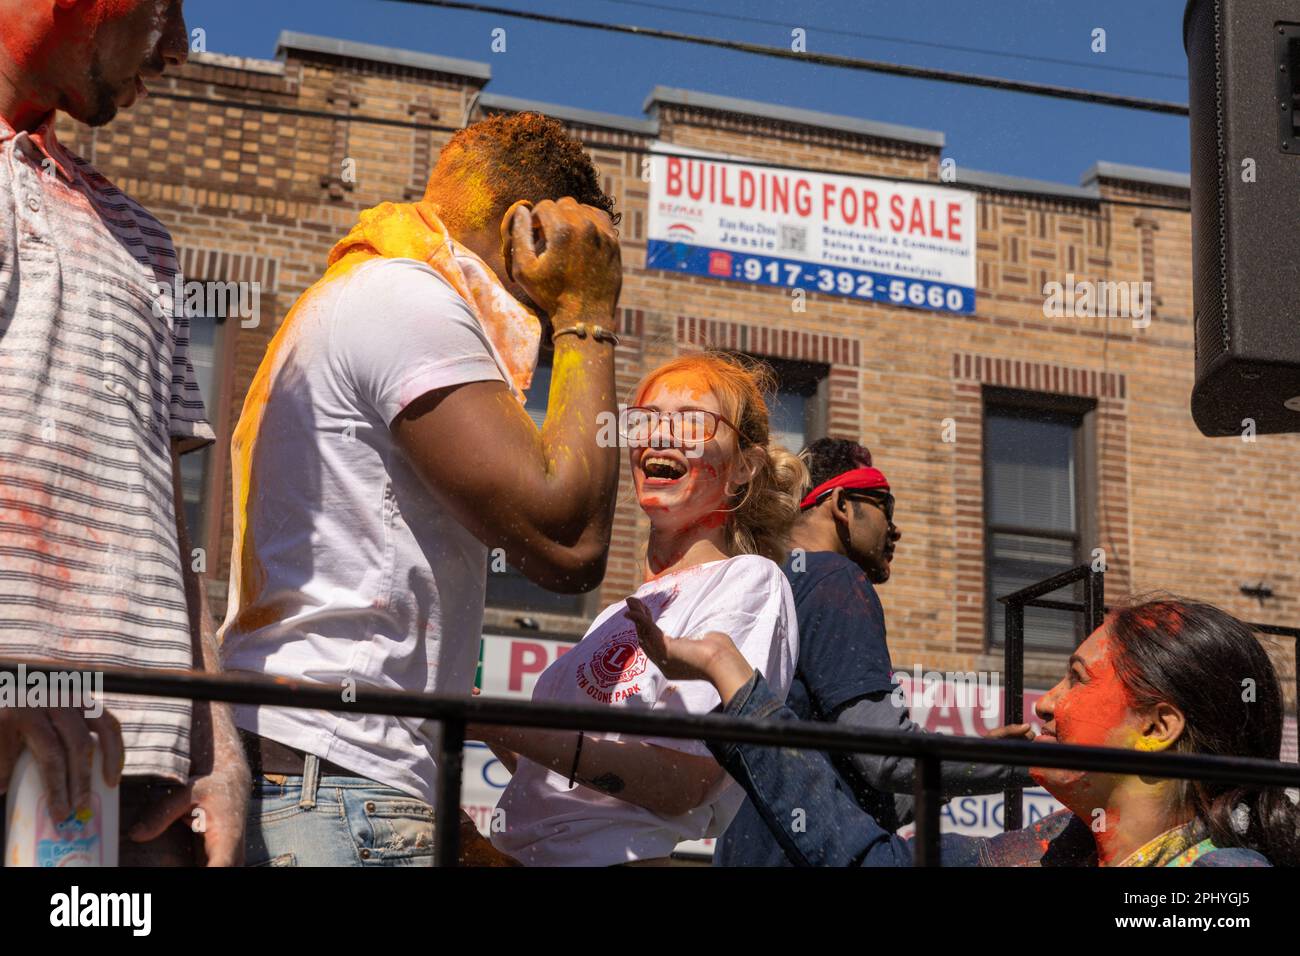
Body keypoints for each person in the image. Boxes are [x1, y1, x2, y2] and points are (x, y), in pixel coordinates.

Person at [219, 112, 623, 866]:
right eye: (580, 246)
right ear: (526, 231)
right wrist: (586, 317)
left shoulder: (365, 291)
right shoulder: (406, 299)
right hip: (337, 780)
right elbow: (567, 541)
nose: (588, 266)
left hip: (324, 776)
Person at [0, 0, 249, 866]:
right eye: (168, 6)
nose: (179, 46)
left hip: (138, 779)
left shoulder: (147, 240)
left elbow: (168, 528)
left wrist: (213, 744)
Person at [632, 596, 1297, 867]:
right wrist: (735, 680)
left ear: (1157, 726)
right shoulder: (1047, 854)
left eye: (1076, 678)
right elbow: (865, 860)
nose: (1046, 704)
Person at [476, 351, 805, 866]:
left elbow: (684, 781)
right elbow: (564, 780)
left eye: (693, 421)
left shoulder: (749, 581)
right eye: (647, 420)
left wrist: (496, 724)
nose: (661, 435)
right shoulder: (613, 616)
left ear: (743, 468)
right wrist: (472, 715)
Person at [718, 439, 1035, 865]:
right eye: (886, 504)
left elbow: (857, 794)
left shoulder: (767, 586)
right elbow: (886, 758)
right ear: (843, 504)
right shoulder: (834, 578)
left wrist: (973, 761)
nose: (895, 528)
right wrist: (1028, 763)